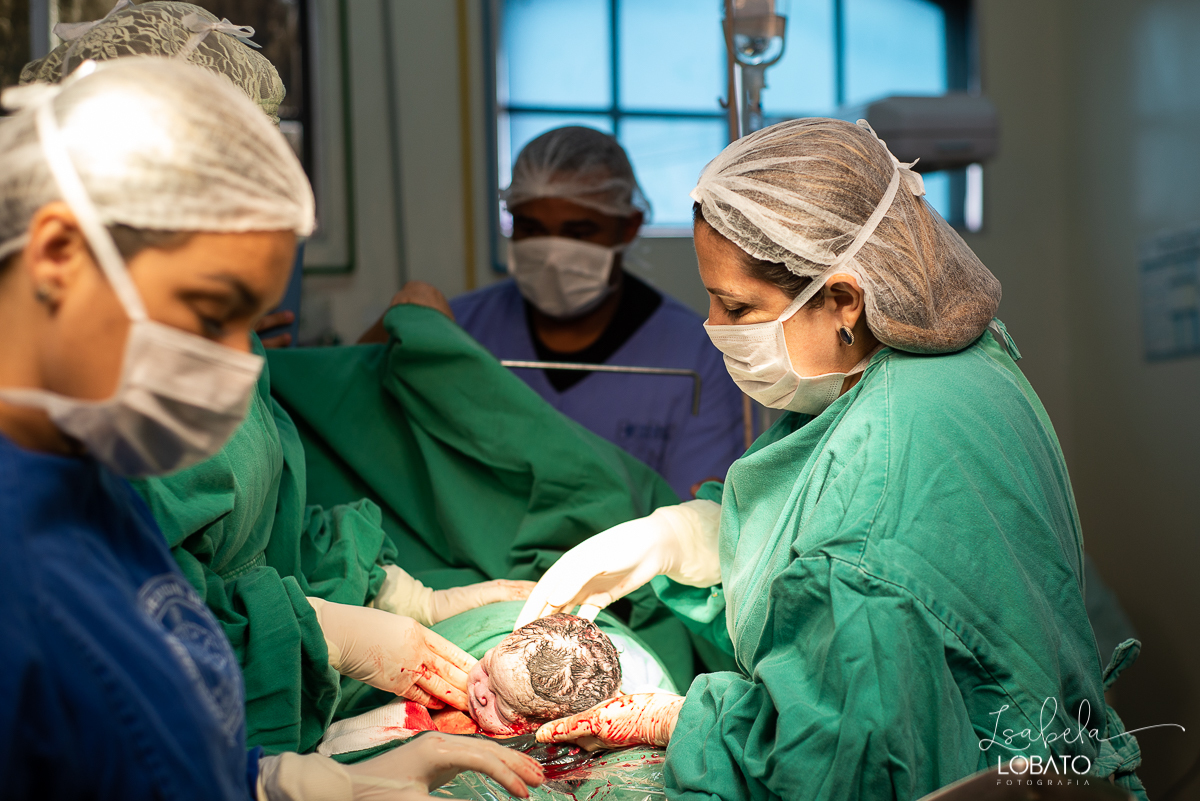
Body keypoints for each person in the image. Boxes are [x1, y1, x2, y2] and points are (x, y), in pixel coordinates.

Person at [513, 119, 1148, 799]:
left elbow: (832, 763)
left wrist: (681, 719)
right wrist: (695, 538)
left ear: (844, 298)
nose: (714, 325)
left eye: (736, 304)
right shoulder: (958, 366)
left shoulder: (878, 484)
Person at [0, 57, 543, 800]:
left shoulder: (88, 484)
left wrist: (279, 783)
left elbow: (154, 729)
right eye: (210, 313)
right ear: (60, 252)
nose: (241, 365)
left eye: (251, 326)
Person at [449, 127, 745, 499]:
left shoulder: (697, 355)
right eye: (532, 229)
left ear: (629, 227)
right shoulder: (458, 330)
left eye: (578, 232)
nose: (554, 256)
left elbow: (696, 507)